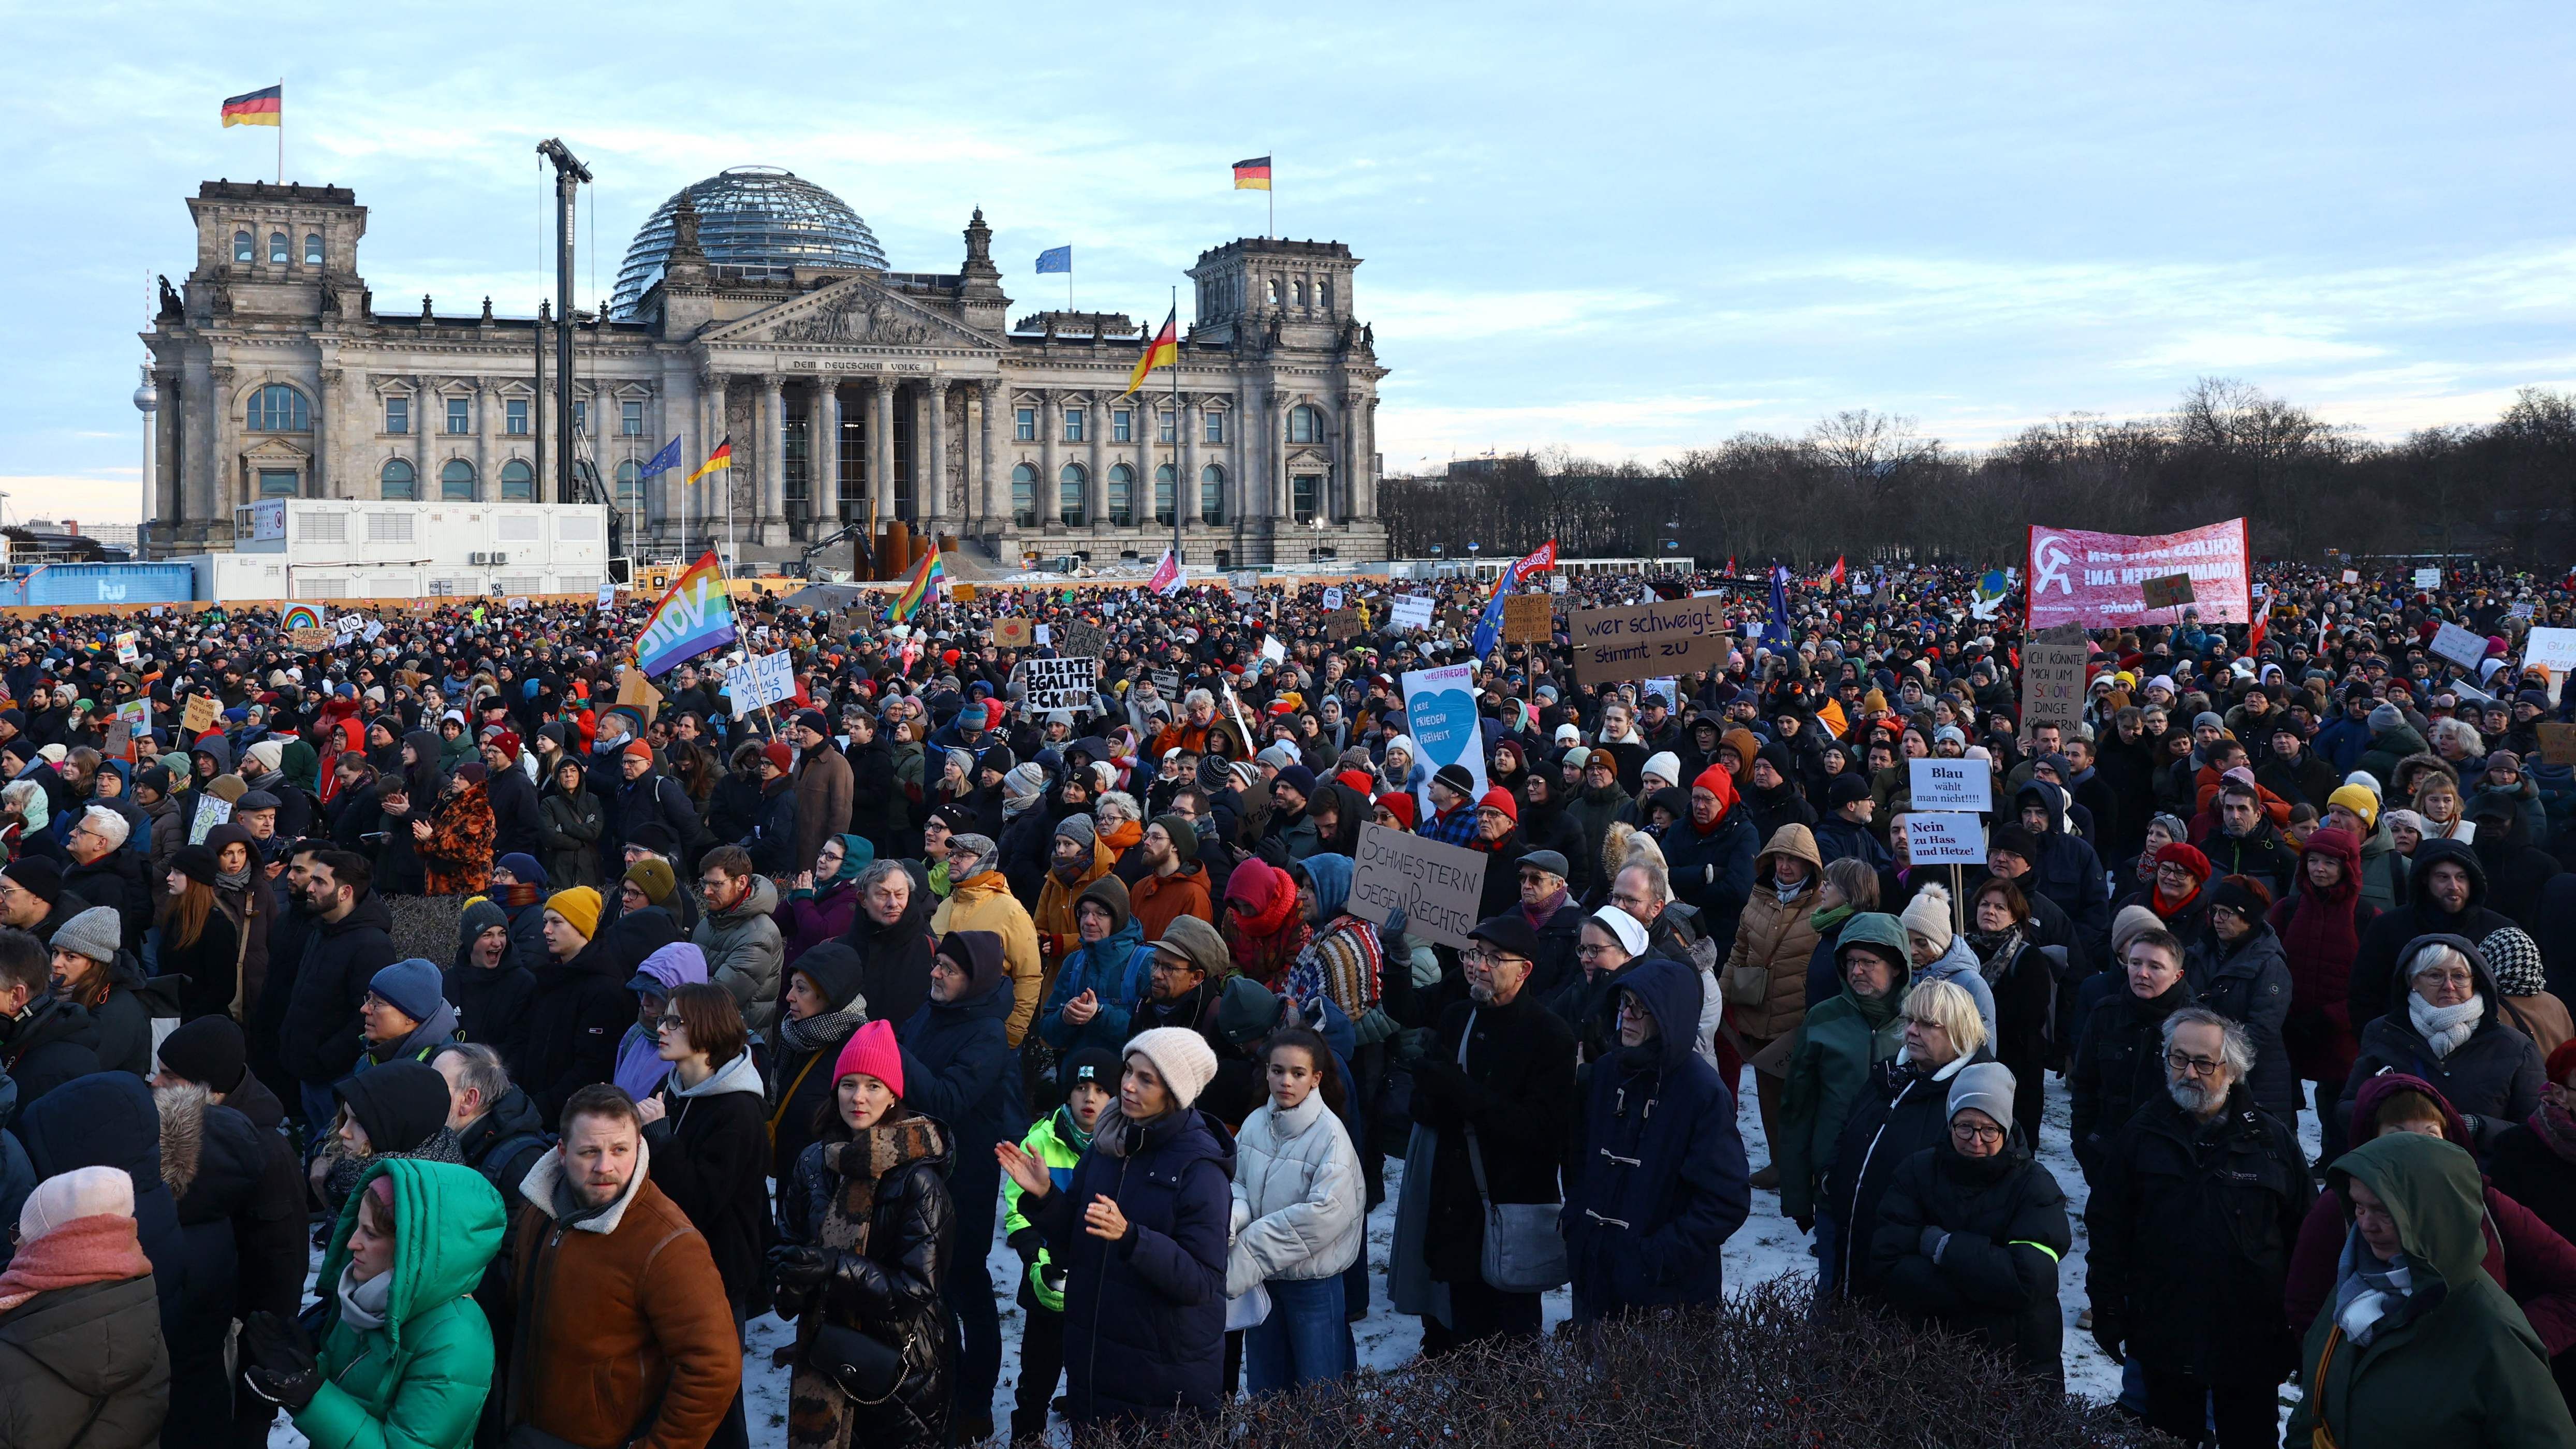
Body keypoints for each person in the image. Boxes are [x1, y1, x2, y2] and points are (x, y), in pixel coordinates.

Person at [2087, 1006, 2311, 1449]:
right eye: (2177, 1058)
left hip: (2251, 1339)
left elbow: (2305, 1237)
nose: (2188, 1072)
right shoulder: (2141, 1133)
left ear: (2233, 1070)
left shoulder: (2270, 1141)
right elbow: (2109, 1228)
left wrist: (2300, 1330)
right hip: (2165, 1333)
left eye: (2203, 1062)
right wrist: (2109, 1308)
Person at [996, 1027, 1234, 1430]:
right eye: (1128, 1070)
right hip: (1097, 1365)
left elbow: (1202, 1281)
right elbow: (1076, 1243)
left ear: (1175, 1093)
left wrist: (1132, 1237)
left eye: (1146, 1078)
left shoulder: (1200, 1169)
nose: (1126, 1085)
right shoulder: (1110, 1145)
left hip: (1161, 1380)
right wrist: (1046, 1196)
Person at [2284, 1130, 2576, 1447]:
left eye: (2384, 1210)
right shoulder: (2357, 1287)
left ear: (2434, 1213)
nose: (2366, 1224)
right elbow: (2315, 1403)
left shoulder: (2494, 1334)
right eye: (2359, 1206)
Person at [2286, 1072, 2576, 1372]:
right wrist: (2342, 1376)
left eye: (2430, 1135)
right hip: (2373, 1394)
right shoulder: (2342, 1206)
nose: (2416, 1149)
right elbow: (2306, 1306)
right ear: (2370, 1142)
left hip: (2472, 1391)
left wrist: (2510, 1344)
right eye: (2397, 1135)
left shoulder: (2483, 1201)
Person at [503, 1085, 740, 1449]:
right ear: (562, 1152)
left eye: (619, 1150)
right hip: (527, 1431)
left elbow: (714, 1367)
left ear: (639, 1147)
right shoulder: (539, 1209)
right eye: (589, 1152)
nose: (605, 1166)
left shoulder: (669, 1242)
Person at [1393, 913, 1577, 1354]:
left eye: (1493, 958)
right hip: (1457, 1202)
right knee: (1463, 1324)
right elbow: (1424, 1104)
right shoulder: (1460, 1017)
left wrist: (1459, 1091)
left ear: (1524, 969)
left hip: (1510, 1204)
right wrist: (1429, 1090)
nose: (1477, 965)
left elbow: (1540, 1131)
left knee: (1510, 1340)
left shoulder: (1550, 1035)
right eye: (1474, 954)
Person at [239, 1160, 505, 1449]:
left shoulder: (456, 1341)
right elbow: (355, 1392)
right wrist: (308, 1373)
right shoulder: (366, 1299)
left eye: (371, 1233)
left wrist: (313, 1398)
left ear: (414, 1248)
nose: (353, 1242)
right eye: (358, 1227)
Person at [1561, 955, 1749, 1325]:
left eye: (1642, 1009)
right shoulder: (1605, 1073)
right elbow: (1579, 1160)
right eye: (1625, 1004)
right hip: (1598, 1279)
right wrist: (1579, 1225)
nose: (1627, 1016)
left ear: (1668, 1017)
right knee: (1598, 1382)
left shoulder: (1702, 1093)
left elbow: (1725, 1200)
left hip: (1668, 1298)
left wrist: (1654, 1258)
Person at [1866, 1061, 2072, 1383]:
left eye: (1989, 1129)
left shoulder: (2036, 1187)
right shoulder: (1916, 1173)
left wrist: (1943, 1248)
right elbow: (1888, 1265)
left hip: (2015, 1362)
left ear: (2005, 1128)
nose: (1976, 1141)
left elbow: (2029, 1281)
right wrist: (1986, 1290)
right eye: (1965, 1127)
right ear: (1950, 1125)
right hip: (1925, 1354)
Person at [892, 931, 1015, 1441]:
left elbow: (947, 1099)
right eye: (936, 964)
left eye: (948, 969)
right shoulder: (930, 1011)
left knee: (966, 1285)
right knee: (931, 1290)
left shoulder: (987, 1033)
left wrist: (895, 1051)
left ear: (976, 980)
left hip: (964, 1179)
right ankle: (938, 1385)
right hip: (922, 1174)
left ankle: (976, 1400)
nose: (936, 974)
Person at [1820, 978, 1992, 1295]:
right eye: (1910, 1020)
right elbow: (1849, 1131)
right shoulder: (1888, 1077)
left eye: (1928, 1024)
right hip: (1848, 1247)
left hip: (1909, 1273)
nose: (1912, 1031)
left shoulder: (1975, 1103)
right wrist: (1832, 1179)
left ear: (1958, 1032)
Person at [1226, 1026, 1366, 1391]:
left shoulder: (1331, 1137)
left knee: (1322, 1392)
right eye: (1277, 1070)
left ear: (1316, 1078)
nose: (1285, 1081)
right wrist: (1232, 1219)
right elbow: (1237, 1182)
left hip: (1312, 1284)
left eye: (1298, 1073)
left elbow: (1324, 1214)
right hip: (1262, 1281)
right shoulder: (1256, 1122)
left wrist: (1251, 1246)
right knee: (1268, 1388)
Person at [0, 1165, 170, 1443]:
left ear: (46, 1247)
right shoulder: (145, 1320)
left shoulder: (11, 1354)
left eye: (24, 1234)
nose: (17, 1244)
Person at [1777, 912, 1912, 1253]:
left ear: (1897, 965)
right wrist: (1796, 1193)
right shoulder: (1823, 1019)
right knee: (1832, 1290)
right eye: (1851, 961)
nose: (1857, 971)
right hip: (1832, 1182)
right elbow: (1797, 1109)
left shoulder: (1919, 1021)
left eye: (1869, 961)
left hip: (1899, 1187)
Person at [639, 983, 769, 1335]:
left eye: (675, 1021)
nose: (661, 1028)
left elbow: (699, 1201)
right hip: (669, 1264)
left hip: (717, 1277)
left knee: (714, 1384)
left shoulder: (739, 1111)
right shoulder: (671, 1089)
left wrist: (660, 1138)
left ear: (707, 1028)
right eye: (665, 1018)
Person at [1001, 1045, 1114, 1440]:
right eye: (1081, 1087)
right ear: (1067, 1093)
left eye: (1102, 1089)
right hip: (1048, 1277)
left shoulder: (1120, 1149)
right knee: (1037, 1373)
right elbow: (1017, 1208)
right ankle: (1026, 1434)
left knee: (1096, 1377)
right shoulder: (1042, 1139)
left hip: (1101, 1286)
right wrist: (1038, 1262)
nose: (1090, 1097)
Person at [2339, 934, 2543, 1152]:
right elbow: (2346, 1110)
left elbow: (2535, 1129)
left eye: (2459, 976)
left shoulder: (2514, 1045)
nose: (2449, 986)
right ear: (2413, 981)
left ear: (2475, 981)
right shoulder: (2383, 1032)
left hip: (2481, 1177)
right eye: (2436, 976)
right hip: (2399, 1169)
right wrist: (2393, 1118)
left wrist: (2476, 1127)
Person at [1722, 824, 1821, 1188]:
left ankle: (1805, 1169)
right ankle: (1780, 1164)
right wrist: (1721, 995)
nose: (1785, 866)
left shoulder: (1822, 904)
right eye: (1780, 857)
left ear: (1810, 863)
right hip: (1757, 1011)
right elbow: (1739, 950)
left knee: (1801, 1102)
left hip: (1798, 1019)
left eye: (1794, 859)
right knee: (1768, 1098)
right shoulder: (1759, 895)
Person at [280, 850, 400, 1132]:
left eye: (320, 882)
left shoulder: (371, 945)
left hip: (335, 1079)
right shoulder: (321, 928)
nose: (310, 887)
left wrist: (324, 1060)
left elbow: (367, 1018)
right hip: (308, 1072)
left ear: (345, 892)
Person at [2068, 927, 2193, 1187]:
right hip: (2108, 1155)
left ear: (2177, 975)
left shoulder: (2196, 1026)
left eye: (2155, 966)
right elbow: (2084, 1084)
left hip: (2171, 1164)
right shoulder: (2106, 1015)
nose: (2142, 973)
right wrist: (2085, 1143)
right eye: (2135, 963)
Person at [2183, 875, 2298, 1119]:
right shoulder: (2199, 952)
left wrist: (2211, 1051)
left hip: (2254, 1078)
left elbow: (2263, 1028)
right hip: (2201, 1071)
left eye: (2226, 913)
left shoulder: (2271, 966)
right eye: (2214, 911)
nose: (2217, 920)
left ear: (2249, 918)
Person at [516, 886, 630, 1120]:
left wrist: (540, 1107)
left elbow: (592, 1066)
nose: (546, 930)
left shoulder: (604, 989)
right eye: (546, 921)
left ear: (580, 926)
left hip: (566, 1117)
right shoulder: (549, 976)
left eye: (557, 922)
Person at [927, 835, 1042, 1048]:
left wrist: (1012, 1033)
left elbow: (1029, 977)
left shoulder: (1011, 911)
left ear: (984, 860)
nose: (952, 860)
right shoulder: (944, 907)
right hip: (940, 1026)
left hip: (986, 1036)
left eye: (962, 856)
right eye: (952, 854)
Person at [47, 905, 169, 1078]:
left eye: (70, 956)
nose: (56, 963)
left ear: (96, 963)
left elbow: (80, 1068)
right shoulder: (57, 991)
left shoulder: (117, 1009)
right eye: (55, 952)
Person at [1038, 875, 1147, 1063]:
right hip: (1076, 1081)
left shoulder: (1144, 963)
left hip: (1126, 1083)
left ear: (1118, 919)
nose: (1089, 921)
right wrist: (1065, 1018)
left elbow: (1151, 1035)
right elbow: (1048, 1033)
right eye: (1084, 912)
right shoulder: (1074, 962)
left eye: (1101, 914)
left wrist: (1101, 1014)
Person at [690, 846, 784, 1042]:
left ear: (741, 882)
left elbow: (717, 996)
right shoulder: (711, 920)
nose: (707, 892)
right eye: (705, 883)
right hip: (706, 1031)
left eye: (716, 884)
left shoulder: (759, 935)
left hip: (736, 1043)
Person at [158, 846, 243, 1024]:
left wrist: (191, 1019)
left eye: (178, 873)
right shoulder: (174, 915)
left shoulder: (217, 925)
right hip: (172, 1016)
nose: (169, 877)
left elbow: (223, 989)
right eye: (171, 871)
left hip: (199, 1024)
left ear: (196, 879)